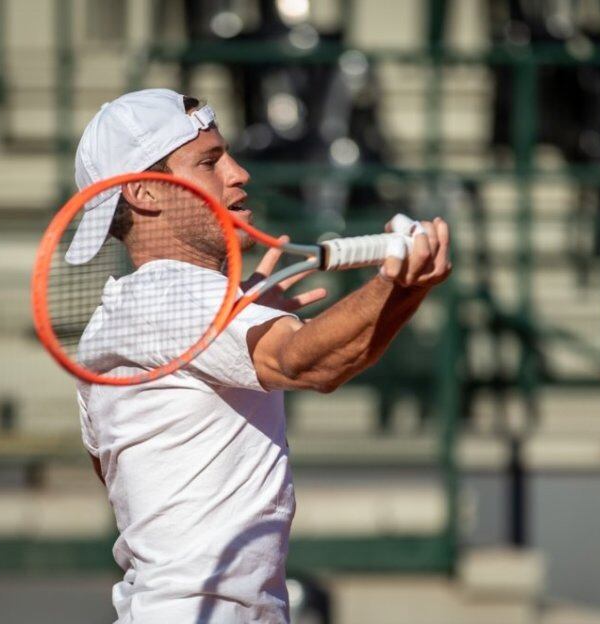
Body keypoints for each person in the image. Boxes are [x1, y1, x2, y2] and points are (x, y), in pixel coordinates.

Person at [65, 88, 451, 623]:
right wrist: (401, 286)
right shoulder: (173, 295)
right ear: (145, 192)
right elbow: (307, 363)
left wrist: (238, 329)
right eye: (209, 162)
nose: (239, 174)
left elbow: (123, 476)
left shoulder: (116, 322)